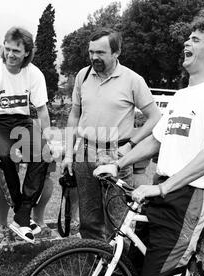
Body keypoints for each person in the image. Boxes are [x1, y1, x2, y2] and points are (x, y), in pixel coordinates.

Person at [94, 18, 204, 276]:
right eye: (188, 38)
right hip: (163, 191)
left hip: (192, 198)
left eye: (196, 40)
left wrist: (162, 187)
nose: (187, 42)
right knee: (134, 275)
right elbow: (156, 139)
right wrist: (117, 164)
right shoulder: (182, 95)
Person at [62, 28, 161, 241]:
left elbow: (155, 117)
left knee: (117, 219)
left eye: (100, 52)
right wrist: (69, 154)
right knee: (88, 219)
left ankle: (117, 272)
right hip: (84, 152)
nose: (94, 57)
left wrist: (132, 144)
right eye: (91, 52)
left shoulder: (133, 80)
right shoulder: (83, 75)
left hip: (115, 154)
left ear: (116, 53)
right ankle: (94, 264)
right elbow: (74, 115)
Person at [0, 27, 52, 244]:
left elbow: (42, 110)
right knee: (5, 156)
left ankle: (22, 214)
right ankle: (22, 214)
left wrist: (49, 139)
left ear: (27, 52)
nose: (10, 55)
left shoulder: (34, 73)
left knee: (43, 154)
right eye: (7, 49)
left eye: (16, 51)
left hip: (21, 122)